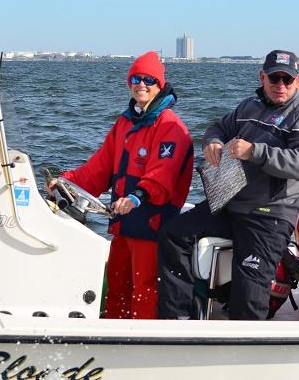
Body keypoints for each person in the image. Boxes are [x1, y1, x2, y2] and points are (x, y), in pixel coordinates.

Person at [157, 50, 299, 320]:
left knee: (248, 299)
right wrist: (213, 142)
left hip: (269, 215)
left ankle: (246, 349)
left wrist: (254, 152)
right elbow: (218, 127)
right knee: (173, 235)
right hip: (230, 202)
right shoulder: (248, 107)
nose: (281, 85)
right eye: (274, 78)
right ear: (262, 77)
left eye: (288, 80)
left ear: (297, 80)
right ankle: (178, 321)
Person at [46, 51, 193, 319]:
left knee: (143, 289)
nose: (142, 85)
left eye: (149, 80)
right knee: (116, 282)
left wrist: (138, 196)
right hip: (123, 223)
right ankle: (113, 332)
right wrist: (66, 182)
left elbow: (164, 174)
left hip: (151, 223)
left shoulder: (170, 126)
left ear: (160, 85)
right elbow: (99, 167)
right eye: (136, 79)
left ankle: (140, 341)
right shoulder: (125, 123)